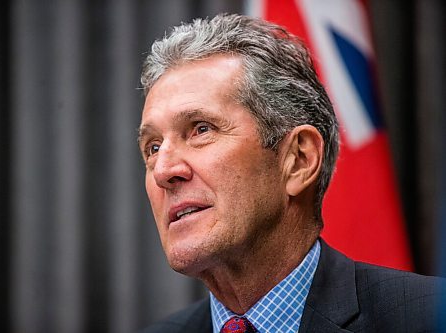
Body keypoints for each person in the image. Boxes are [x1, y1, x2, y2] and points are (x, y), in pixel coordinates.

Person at [137, 14, 444, 333]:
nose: (163, 170)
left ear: (298, 159)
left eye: (201, 129)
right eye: (153, 147)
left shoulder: (429, 317)